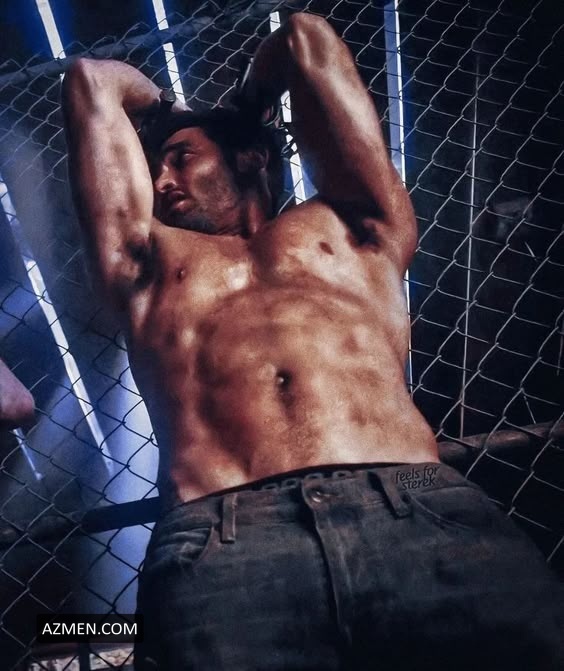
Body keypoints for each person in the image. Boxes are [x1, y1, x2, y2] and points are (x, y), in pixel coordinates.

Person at [62, 13, 563, 671]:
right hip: (222, 533)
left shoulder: (351, 226)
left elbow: (304, 37)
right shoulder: (147, 263)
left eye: (181, 157)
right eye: (157, 167)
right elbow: (91, 80)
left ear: (252, 157)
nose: (160, 182)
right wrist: (171, 113)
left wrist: (243, 105)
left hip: (414, 497)